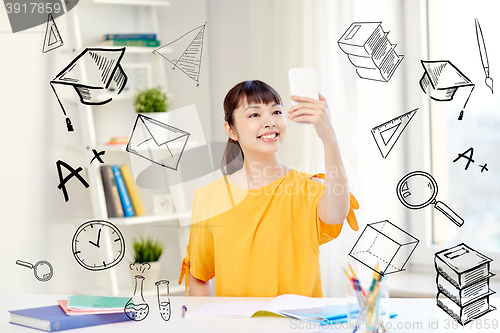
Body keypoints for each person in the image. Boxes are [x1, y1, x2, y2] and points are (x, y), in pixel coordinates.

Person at [179, 80, 359, 297]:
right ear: (231, 130)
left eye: (276, 111)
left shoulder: (307, 187)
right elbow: (199, 274)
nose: (269, 122)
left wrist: (329, 138)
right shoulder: (209, 197)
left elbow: (336, 214)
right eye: (254, 114)